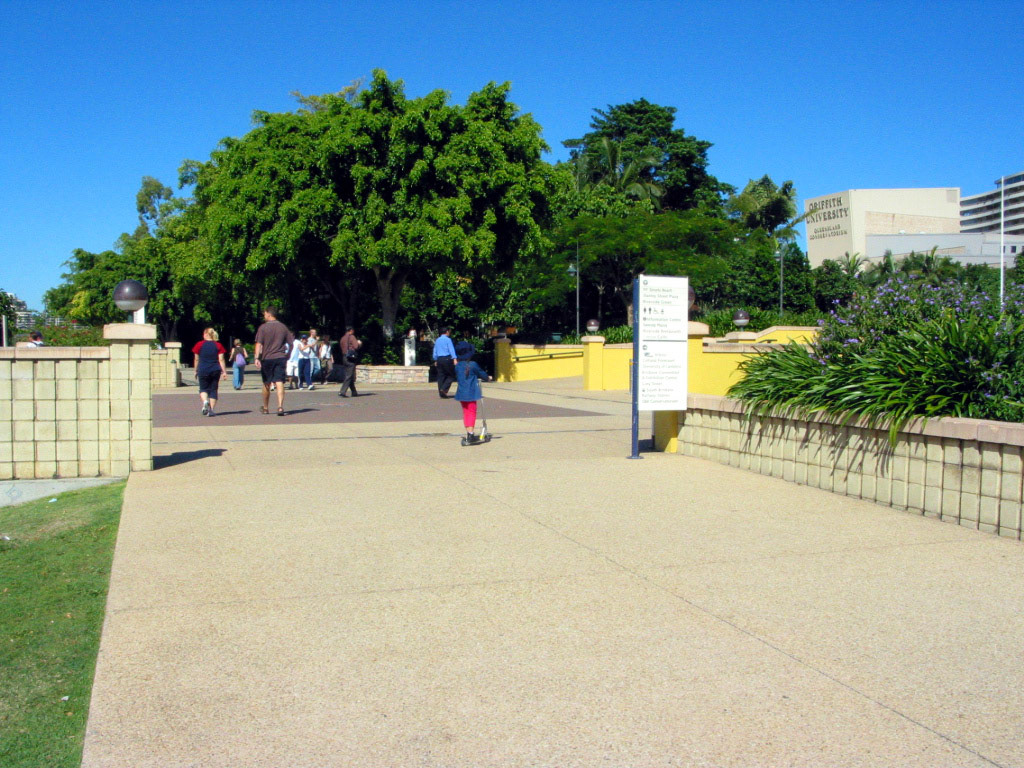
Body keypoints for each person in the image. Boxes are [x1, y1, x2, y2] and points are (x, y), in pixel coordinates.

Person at [253, 306, 295, 416]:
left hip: (267, 358)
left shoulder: (263, 328)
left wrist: (257, 358)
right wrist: (288, 354)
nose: (264, 316)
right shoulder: (283, 327)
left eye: (265, 314)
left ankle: (266, 407)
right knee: (280, 381)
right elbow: (291, 343)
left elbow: (259, 343)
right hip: (280, 357)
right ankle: (280, 406)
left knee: (267, 382)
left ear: (269, 314)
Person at [453, 341, 490, 444]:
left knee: (466, 412)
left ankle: (469, 432)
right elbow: (481, 373)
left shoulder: (458, 366)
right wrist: (488, 378)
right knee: (472, 412)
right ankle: (471, 435)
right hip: (471, 392)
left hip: (461, 393)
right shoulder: (473, 365)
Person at [192, 328, 228, 417]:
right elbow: (221, 359)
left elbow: (196, 359)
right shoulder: (218, 345)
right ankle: (211, 410)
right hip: (215, 369)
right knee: (213, 390)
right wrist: (224, 371)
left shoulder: (199, 345)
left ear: (206, 334)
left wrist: (195, 370)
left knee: (203, 388)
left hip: (203, 368)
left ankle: (205, 401)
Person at [337, 326, 362, 398]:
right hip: (351, 358)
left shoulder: (343, 338)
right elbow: (356, 346)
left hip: (344, 357)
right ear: (351, 330)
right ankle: (342, 391)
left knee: (349, 374)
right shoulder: (352, 337)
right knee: (349, 375)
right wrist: (359, 343)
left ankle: (354, 392)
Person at [432, 327, 457, 398]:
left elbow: (435, 351)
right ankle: (444, 389)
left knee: (441, 376)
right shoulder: (448, 340)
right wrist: (454, 358)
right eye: (448, 332)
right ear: (446, 332)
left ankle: (441, 392)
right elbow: (451, 349)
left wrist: (435, 359)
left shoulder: (437, 340)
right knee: (451, 375)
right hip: (447, 358)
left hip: (439, 359)